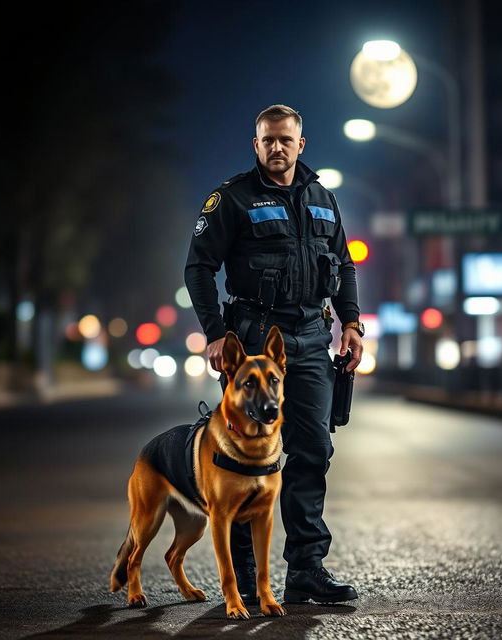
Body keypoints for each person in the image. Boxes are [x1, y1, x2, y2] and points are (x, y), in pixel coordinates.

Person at [184, 104, 364, 604]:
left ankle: (306, 570)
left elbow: (344, 266)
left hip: (308, 338)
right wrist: (216, 333)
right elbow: (199, 268)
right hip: (255, 341)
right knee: (245, 457)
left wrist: (350, 323)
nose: (277, 147)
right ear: (256, 145)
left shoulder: (323, 197)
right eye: (268, 141)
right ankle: (241, 575)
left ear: (300, 144)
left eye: (286, 139)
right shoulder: (232, 198)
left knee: (313, 452)